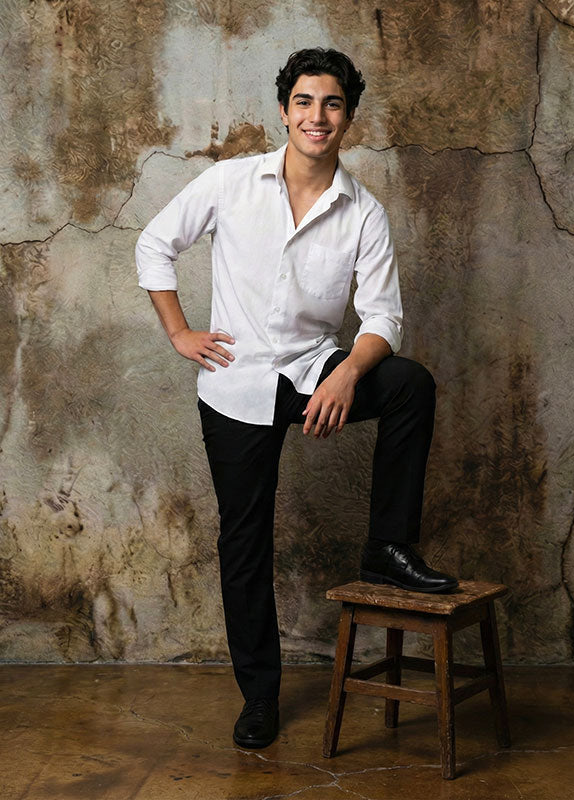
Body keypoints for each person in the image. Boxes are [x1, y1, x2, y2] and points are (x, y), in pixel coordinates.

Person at [135, 47, 458, 750]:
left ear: (348, 117)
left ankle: (388, 546)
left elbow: (384, 318)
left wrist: (346, 375)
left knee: (409, 384)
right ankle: (259, 697)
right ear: (284, 112)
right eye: (305, 102)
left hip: (314, 372)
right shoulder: (230, 182)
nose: (318, 116)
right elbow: (155, 244)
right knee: (244, 540)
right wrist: (180, 332)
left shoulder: (363, 211)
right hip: (237, 383)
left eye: (332, 103)